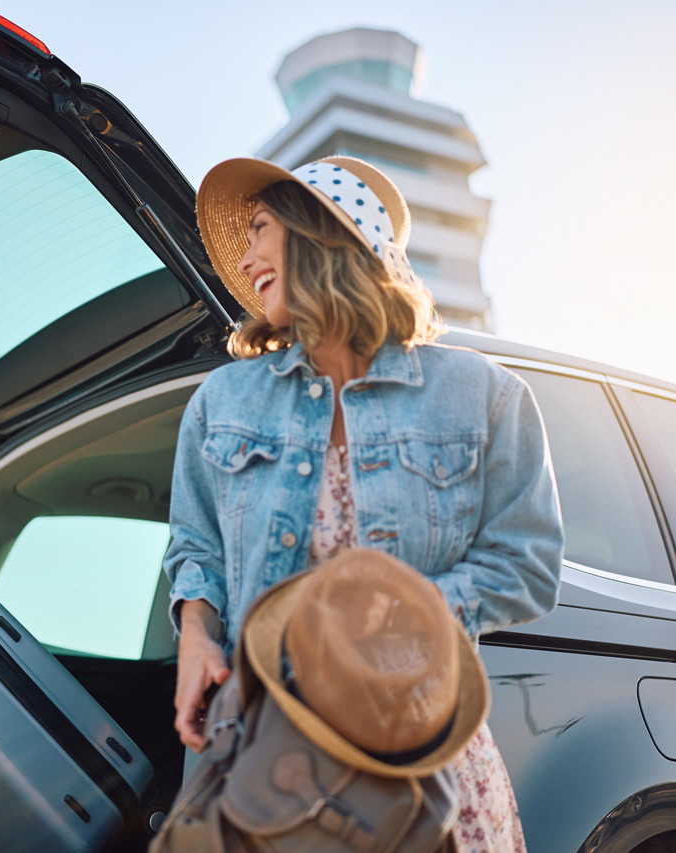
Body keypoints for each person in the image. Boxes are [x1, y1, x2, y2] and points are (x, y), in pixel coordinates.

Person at [164, 156, 565, 851]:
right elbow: (194, 550)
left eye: (262, 228)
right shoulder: (221, 402)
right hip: (267, 758)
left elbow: (525, 565)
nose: (248, 254)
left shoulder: (483, 395)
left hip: (417, 752)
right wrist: (196, 636)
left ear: (321, 232)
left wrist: (383, 623)